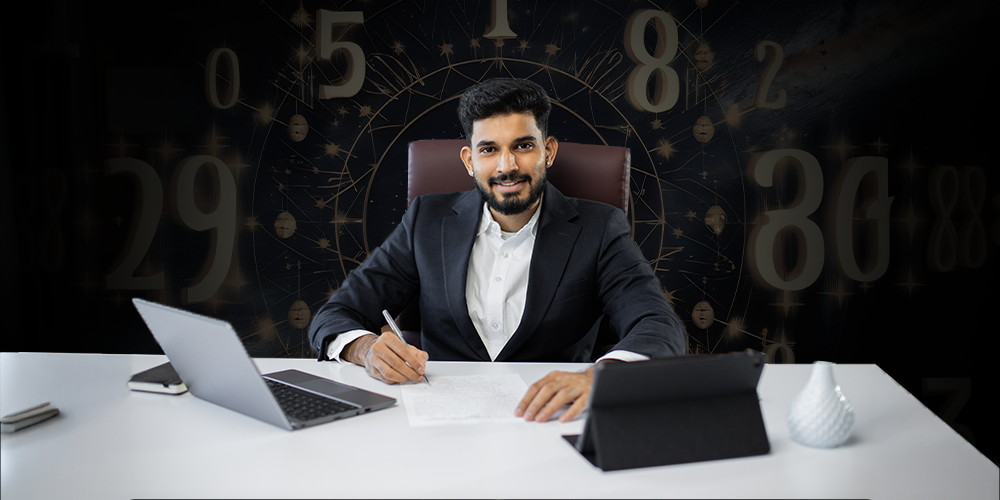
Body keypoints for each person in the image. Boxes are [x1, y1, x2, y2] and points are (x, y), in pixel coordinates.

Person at [308, 78, 685, 423]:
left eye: (523, 146)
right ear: (470, 160)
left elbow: (659, 325)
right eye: (489, 149)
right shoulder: (426, 220)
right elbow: (336, 314)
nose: (507, 166)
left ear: (548, 151)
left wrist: (599, 378)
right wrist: (365, 349)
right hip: (439, 424)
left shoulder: (600, 228)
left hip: (551, 422)